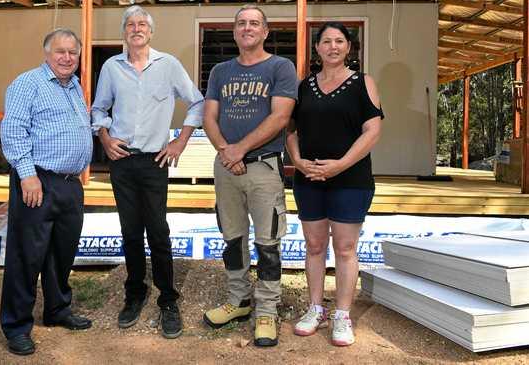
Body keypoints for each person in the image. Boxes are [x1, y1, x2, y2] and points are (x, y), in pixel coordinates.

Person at [91, 5, 204, 339]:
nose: (136, 29)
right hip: (122, 160)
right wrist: (105, 137)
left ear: (151, 32)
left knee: (157, 230)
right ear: (124, 32)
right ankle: (135, 293)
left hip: (155, 160)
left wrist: (180, 142)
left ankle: (168, 300)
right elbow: (99, 108)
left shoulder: (167, 65)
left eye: (142, 24)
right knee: (129, 230)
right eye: (130, 24)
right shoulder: (112, 67)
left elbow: (196, 102)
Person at [202, 4, 297, 347]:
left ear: (265, 31)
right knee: (233, 238)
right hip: (227, 167)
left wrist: (239, 149)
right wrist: (227, 153)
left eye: (254, 23)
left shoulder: (280, 67)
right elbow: (209, 117)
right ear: (234, 31)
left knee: (268, 241)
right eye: (241, 23)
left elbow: (280, 117)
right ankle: (239, 300)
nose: (247, 28)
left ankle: (267, 310)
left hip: (263, 166)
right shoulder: (220, 71)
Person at [286, 21, 383, 347]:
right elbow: (291, 132)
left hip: (350, 179)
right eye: (325, 41)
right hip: (309, 178)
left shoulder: (362, 82)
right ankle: (315, 308)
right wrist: (298, 162)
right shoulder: (304, 86)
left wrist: (340, 165)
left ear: (349, 47)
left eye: (339, 41)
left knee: (344, 248)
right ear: (317, 49)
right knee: (314, 246)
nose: (332, 47)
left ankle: (342, 314)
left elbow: (372, 131)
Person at [0, 28, 93, 356]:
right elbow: (13, 131)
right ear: (47, 53)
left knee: (60, 252)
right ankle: (16, 326)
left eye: (73, 52)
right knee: (27, 255)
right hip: (38, 180)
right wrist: (27, 175)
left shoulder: (75, 86)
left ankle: (57, 310)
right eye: (61, 51)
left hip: (69, 184)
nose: (67, 57)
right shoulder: (28, 83)